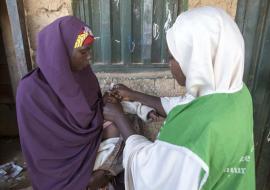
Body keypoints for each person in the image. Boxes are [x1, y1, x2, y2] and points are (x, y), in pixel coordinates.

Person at [103, 6, 255, 190]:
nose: (170, 65)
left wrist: (119, 117)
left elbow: (150, 173)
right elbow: (184, 105)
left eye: (172, 57)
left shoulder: (197, 132)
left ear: (197, 59)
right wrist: (133, 95)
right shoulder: (237, 93)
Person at [16, 16, 123, 190]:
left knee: (120, 122)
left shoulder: (84, 77)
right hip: (55, 168)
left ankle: (97, 179)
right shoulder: (30, 91)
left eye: (90, 50)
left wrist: (105, 104)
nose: (89, 57)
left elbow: (90, 115)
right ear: (61, 52)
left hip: (86, 146)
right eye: (83, 52)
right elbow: (39, 148)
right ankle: (91, 181)